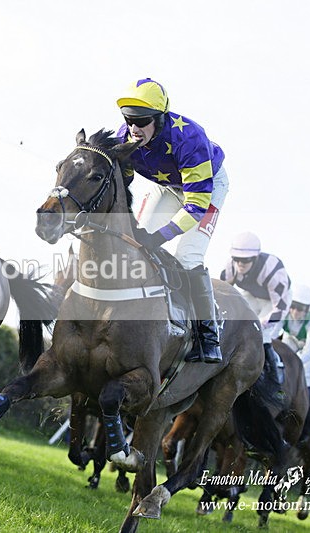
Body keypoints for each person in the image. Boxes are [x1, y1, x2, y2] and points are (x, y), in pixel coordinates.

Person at [116, 78, 229, 364]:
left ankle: (208, 333)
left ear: (160, 119)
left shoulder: (189, 139)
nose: (133, 128)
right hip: (167, 187)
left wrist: (161, 235)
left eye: (141, 121)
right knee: (135, 244)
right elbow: (123, 187)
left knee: (188, 257)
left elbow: (195, 205)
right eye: (128, 119)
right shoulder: (125, 139)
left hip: (206, 189)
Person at [221, 231, 292, 385]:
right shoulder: (230, 267)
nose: (240, 264)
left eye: (245, 260)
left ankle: (274, 381)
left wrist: (260, 324)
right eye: (237, 259)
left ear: (255, 258)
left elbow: (279, 310)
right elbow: (223, 293)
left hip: (275, 303)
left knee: (262, 334)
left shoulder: (274, 271)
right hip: (252, 294)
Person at [282, 284, 310, 435]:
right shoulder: (284, 308)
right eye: (293, 306)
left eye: (300, 309)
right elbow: (273, 331)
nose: (295, 312)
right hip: (292, 339)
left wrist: (296, 363)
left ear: (307, 309)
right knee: (279, 361)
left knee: (304, 375)